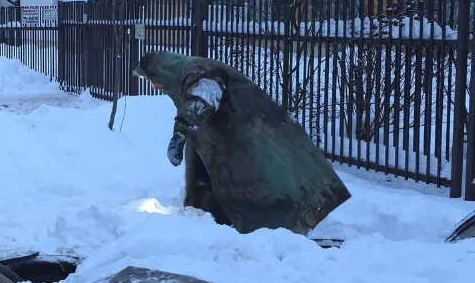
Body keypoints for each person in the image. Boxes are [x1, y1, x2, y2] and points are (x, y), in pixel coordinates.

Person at [132, 50, 351, 235]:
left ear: (162, 72)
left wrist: (179, 133)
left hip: (248, 131)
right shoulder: (184, 74)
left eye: (151, 79)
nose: (153, 86)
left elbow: (202, 98)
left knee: (262, 181)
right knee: (209, 167)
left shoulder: (199, 71)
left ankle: (274, 229)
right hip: (222, 137)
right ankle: (212, 219)